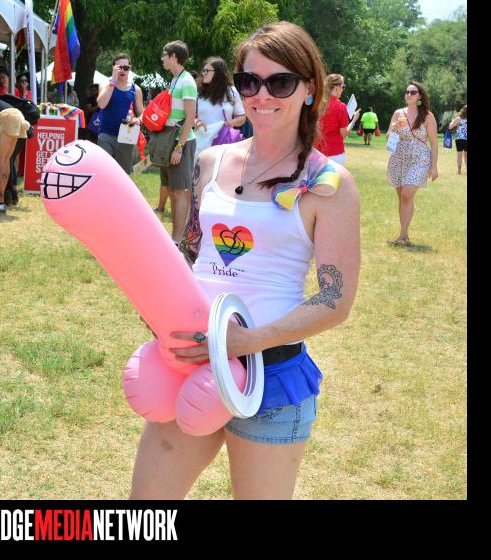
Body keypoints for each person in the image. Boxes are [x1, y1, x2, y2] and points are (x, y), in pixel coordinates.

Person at [129, 21, 360, 500]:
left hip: (270, 377)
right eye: (249, 82)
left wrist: (244, 342)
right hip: (189, 363)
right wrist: (159, 307)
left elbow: (335, 301)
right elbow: (191, 252)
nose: (262, 95)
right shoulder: (211, 162)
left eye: (280, 82)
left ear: (310, 89)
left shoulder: (327, 183)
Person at [153, 41, 197, 244]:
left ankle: (177, 241)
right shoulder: (175, 80)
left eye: (165, 55)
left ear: (174, 57)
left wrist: (179, 148)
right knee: (172, 190)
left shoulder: (187, 81)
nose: (162, 58)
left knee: (179, 191)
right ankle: (177, 238)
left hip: (181, 142)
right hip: (170, 139)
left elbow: (190, 118)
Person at [386, 82, 439, 246]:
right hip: (399, 157)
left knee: (407, 194)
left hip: (419, 158)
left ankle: (402, 236)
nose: (409, 94)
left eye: (413, 92)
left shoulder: (427, 116)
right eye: (407, 91)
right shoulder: (398, 113)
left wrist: (434, 166)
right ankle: (404, 234)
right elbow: (389, 139)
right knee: (402, 197)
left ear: (420, 96)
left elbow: (434, 143)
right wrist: (394, 129)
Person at [97, 54, 144, 176]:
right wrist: (113, 81)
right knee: (104, 171)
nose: (122, 70)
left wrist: (138, 120)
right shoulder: (106, 84)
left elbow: (142, 114)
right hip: (106, 135)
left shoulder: (136, 89)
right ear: (113, 68)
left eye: (126, 67)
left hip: (126, 137)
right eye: (119, 67)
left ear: (130, 68)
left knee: (123, 175)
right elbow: (101, 104)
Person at [194, 56, 246, 153]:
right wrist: (195, 122)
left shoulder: (231, 91)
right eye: (203, 70)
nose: (203, 73)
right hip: (201, 142)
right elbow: (187, 116)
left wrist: (231, 123)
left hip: (223, 140)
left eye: (207, 71)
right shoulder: (198, 91)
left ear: (217, 73)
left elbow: (242, 117)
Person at [314, 74, 361, 165]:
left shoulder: (316, 103)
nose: (343, 89)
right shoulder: (341, 107)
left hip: (315, 153)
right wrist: (353, 121)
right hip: (334, 154)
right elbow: (344, 134)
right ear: (336, 87)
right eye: (343, 86)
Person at [449, 104, 467, 174]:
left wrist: (453, 121)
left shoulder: (458, 119)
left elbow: (450, 127)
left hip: (459, 139)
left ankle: (459, 171)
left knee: (459, 155)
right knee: (466, 156)